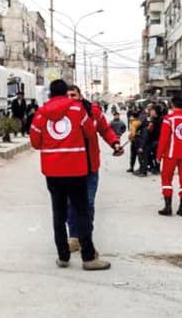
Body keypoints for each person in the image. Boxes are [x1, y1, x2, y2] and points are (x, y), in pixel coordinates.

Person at [29, 79, 110, 271]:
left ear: (50, 94)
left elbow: (35, 142)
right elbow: (90, 132)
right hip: (76, 169)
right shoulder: (76, 109)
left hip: (52, 172)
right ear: (66, 93)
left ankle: (63, 257)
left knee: (59, 213)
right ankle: (88, 258)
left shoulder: (41, 114)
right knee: (81, 212)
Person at [65, 86, 123, 254]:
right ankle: (73, 238)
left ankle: (85, 239)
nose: (71, 98)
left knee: (88, 204)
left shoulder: (93, 111)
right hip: (70, 168)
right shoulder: (61, 114)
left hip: (90, 167)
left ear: (80, 96)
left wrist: (115, 143)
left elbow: (105, 130)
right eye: (68, 95)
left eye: (73, 95)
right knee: (71, 204)